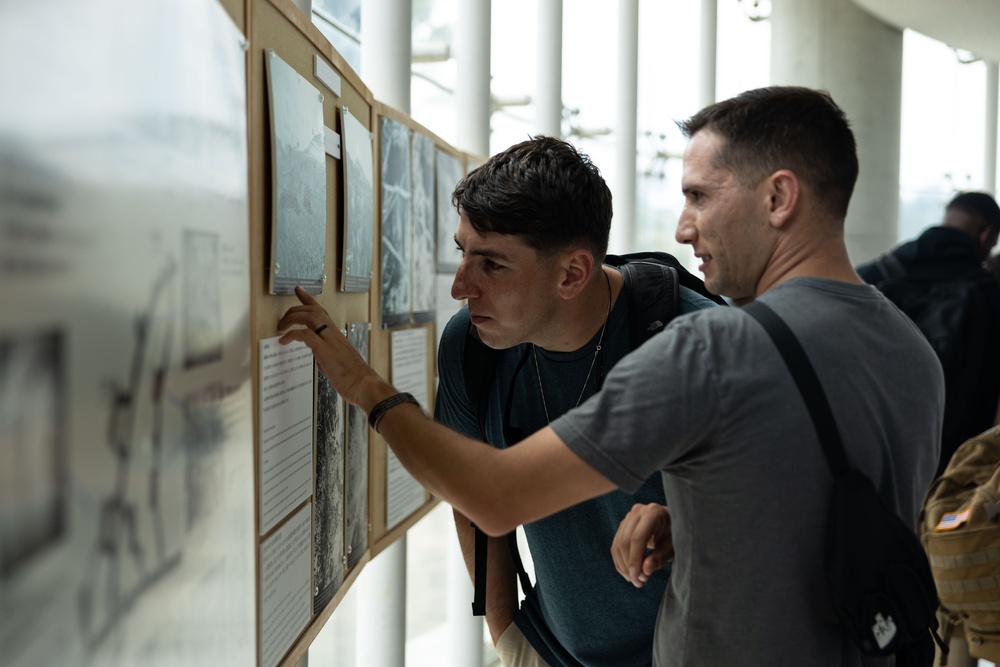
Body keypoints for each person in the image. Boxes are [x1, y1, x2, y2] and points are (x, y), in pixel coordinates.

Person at [278, 86, 944, 666]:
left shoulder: (712, 346)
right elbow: (814, 521)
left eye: (700, 196)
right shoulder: (914, 353)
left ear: (778, 196)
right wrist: (687, 524)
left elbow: (495, 494)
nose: (683, 227)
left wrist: (364, 384)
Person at [434, 136, 721, 667]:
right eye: (463, 253)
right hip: (553, 647)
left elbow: (777, 519)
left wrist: (687, 522)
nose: (461, 287)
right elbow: (471, 496)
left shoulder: (706, 346)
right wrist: (510, 637)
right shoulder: (472, 348)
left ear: (571, 274)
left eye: (492, 266)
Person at [856, 192, 1000, 478]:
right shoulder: (991, 297)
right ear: (985, 236)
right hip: (951, 469)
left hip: (874, 455)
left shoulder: (873, 275)